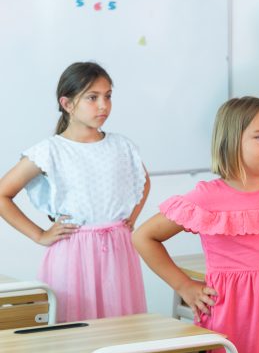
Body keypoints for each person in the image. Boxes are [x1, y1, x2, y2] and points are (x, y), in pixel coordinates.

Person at [133, 97, 259, 353]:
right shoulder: (206, 197)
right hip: (230, 308)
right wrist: (184, 286)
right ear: (232, 141)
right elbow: (144, 236)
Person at [0, 62, 149, 322]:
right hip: (73, 256)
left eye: (108, 96)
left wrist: (131, 218)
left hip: (118, 253)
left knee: (122, 330)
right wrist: (40, 235)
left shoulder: (122, 145)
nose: (103, 105)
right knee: (75, 332)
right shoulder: (50, 151)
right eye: (92, 97)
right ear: (67, 104)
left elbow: (143, 181)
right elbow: (3, 195)